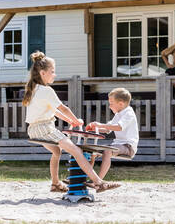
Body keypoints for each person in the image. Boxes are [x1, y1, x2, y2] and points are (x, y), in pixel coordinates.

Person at [23, 51, 120, 193]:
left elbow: (53, 111)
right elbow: (63, 108)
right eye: (52, 71)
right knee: (76, 150)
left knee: (57, 151)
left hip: (34, 129)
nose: (54, 74)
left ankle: (55, 184)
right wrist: (77, 120)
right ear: (43, 73)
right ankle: (98, 182)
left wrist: (70, 121)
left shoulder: (34, 89)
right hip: (44, 129)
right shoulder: (46, 90)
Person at [86, 88, 139, 180]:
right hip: (117, 145)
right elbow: (108, 129)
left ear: (121, 104)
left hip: (128, 146)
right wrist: (95, 128)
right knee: (92, 152)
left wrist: (101, 125)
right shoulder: (118, 114)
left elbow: (118, 127)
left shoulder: (128, 113)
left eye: (111, 103)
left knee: (107, 151)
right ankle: (85, 177)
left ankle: (98, 181)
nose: (109, 106)